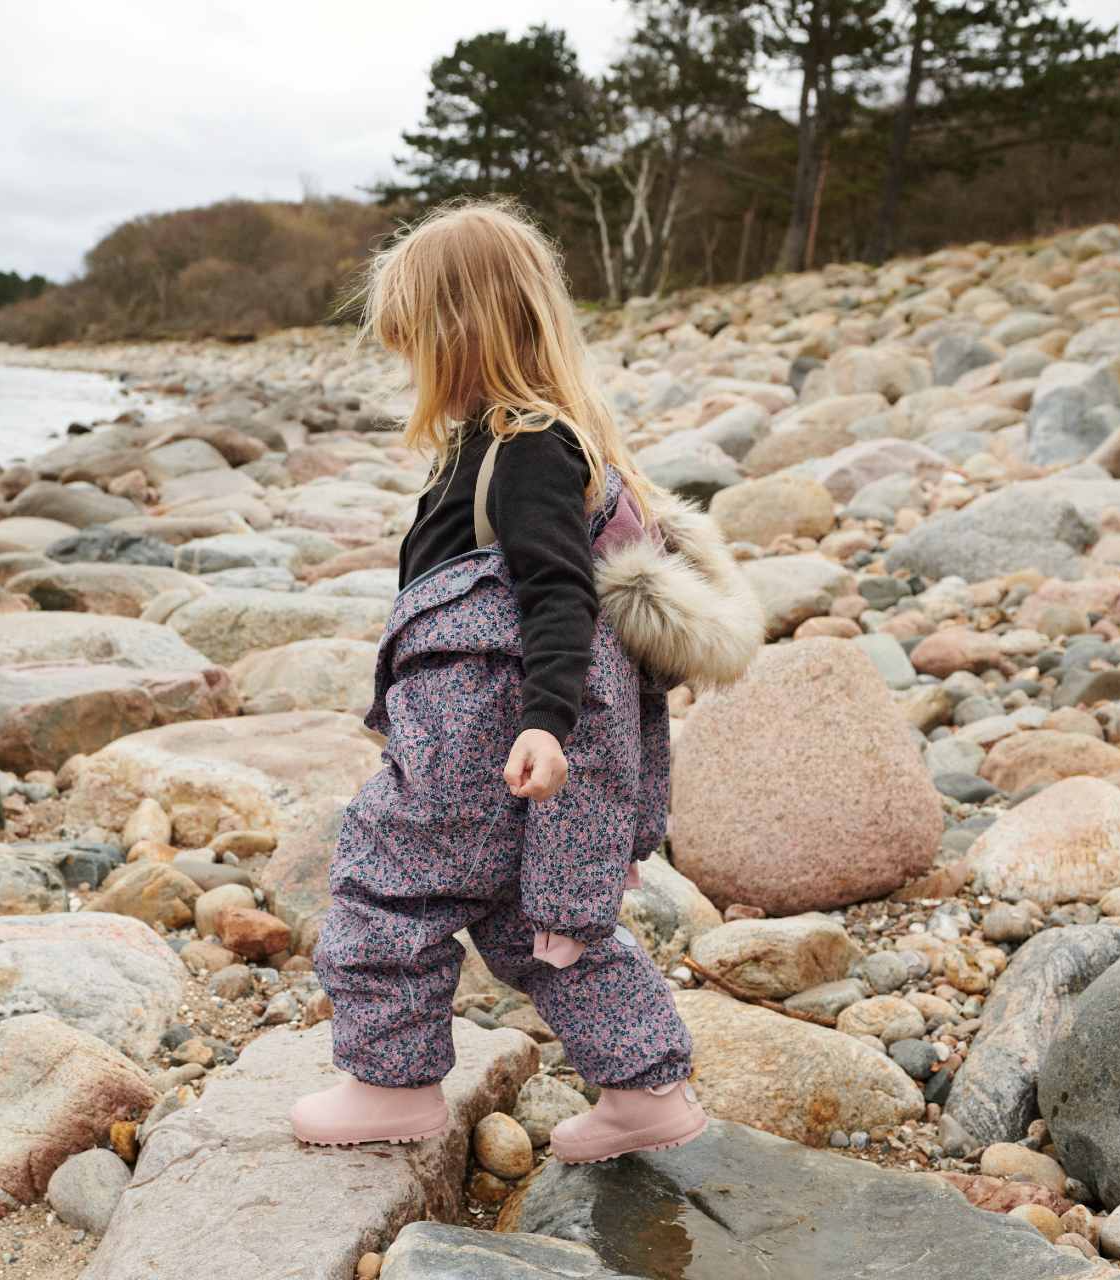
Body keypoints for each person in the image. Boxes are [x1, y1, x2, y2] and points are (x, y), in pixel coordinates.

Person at [291, 200, 765, 1164]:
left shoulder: (527, 450)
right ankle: (646, 1092)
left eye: (414, 340)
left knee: (389, 889)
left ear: (462, 332)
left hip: (484, 735)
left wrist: (546, 723)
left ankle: (393, 1085)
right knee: (530, 925)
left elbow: (560, 597)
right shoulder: (503, 446)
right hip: (488, 734)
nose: (407, 363)